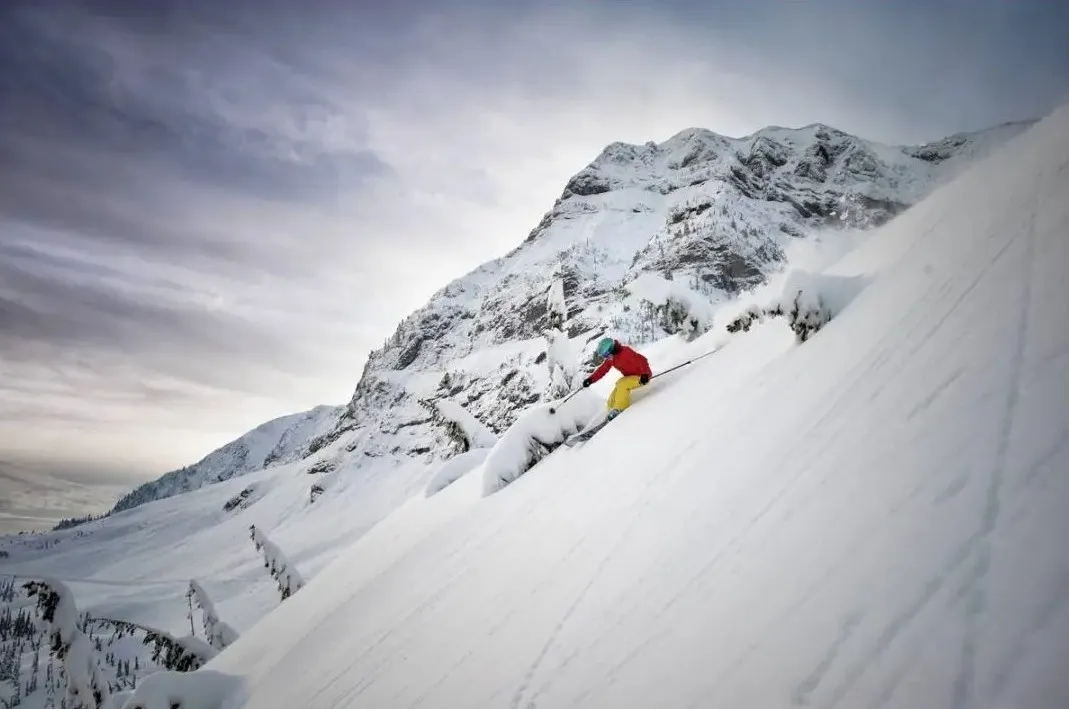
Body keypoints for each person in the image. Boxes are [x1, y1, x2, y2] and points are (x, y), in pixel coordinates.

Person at [581, 336, 652, 418]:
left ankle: (620, 409)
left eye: (605, 354)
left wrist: (645, 374)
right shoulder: (611, 358)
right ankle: (610, 410)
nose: (605, 357)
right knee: (614, 394)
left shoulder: (626, 352)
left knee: (622, 384)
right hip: (630, 378)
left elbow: (642, 360)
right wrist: (590, 380)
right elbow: (602, 369)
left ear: (611, 349)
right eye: (604, 355)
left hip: (642, 377)